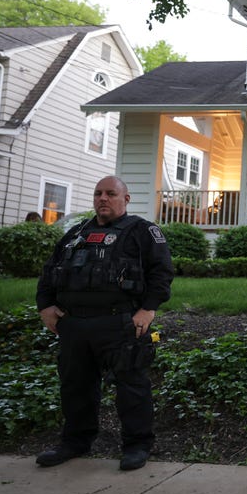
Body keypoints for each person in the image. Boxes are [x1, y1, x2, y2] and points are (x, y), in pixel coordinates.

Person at [35, 176, 174, 471]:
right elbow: (50, 272)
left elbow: (161, 274)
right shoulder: (76, 233)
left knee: (131, 386)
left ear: (126, 199)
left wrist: (148, 310)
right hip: (74, 324)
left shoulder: (143, 232)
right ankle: (75, 442)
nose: (103, 198)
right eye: (98, 193)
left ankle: (137, 445)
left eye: (111, 193)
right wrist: (45, 307)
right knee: (75, 386)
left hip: (120, 322)